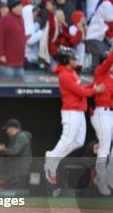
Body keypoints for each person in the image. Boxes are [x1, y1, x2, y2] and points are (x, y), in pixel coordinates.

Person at [44, 48, 105, 185]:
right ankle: (52, 158)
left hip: (79, 111)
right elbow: (81, 93)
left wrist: (92, 85)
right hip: (71, 111)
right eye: (72, 58)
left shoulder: (71, 72)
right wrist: (96, 89)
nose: (75, 60)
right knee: (67, 139)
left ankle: (54, 157)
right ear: (66, 60)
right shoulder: (64, 75)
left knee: (78, 141)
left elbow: (82, 88)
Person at [90, 51, 113, 195]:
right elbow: (108, 60)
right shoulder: (100, 72)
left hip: (111, 113)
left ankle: (109, 176)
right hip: (101, 113)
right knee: (104, 147)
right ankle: (100, 178)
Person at [0, 119, 33, 189]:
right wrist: (1, 150)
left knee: (19, 194)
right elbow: (10, 154)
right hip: (16, 172)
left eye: (7, 129)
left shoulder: (21, 136)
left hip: (22, 172)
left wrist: (1, 149)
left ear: (12, 128)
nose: (6, 131)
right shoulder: (15, 138)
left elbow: (15, 152)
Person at [0, 0, 27, 77]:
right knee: (7, 87)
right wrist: (1, 54)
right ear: (13, 8)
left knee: (20, 86)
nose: (21, 8)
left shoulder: (21, 19)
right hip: (7, 63)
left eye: (21, 6)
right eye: (19, 6)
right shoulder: (4, 20)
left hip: (19, 62)